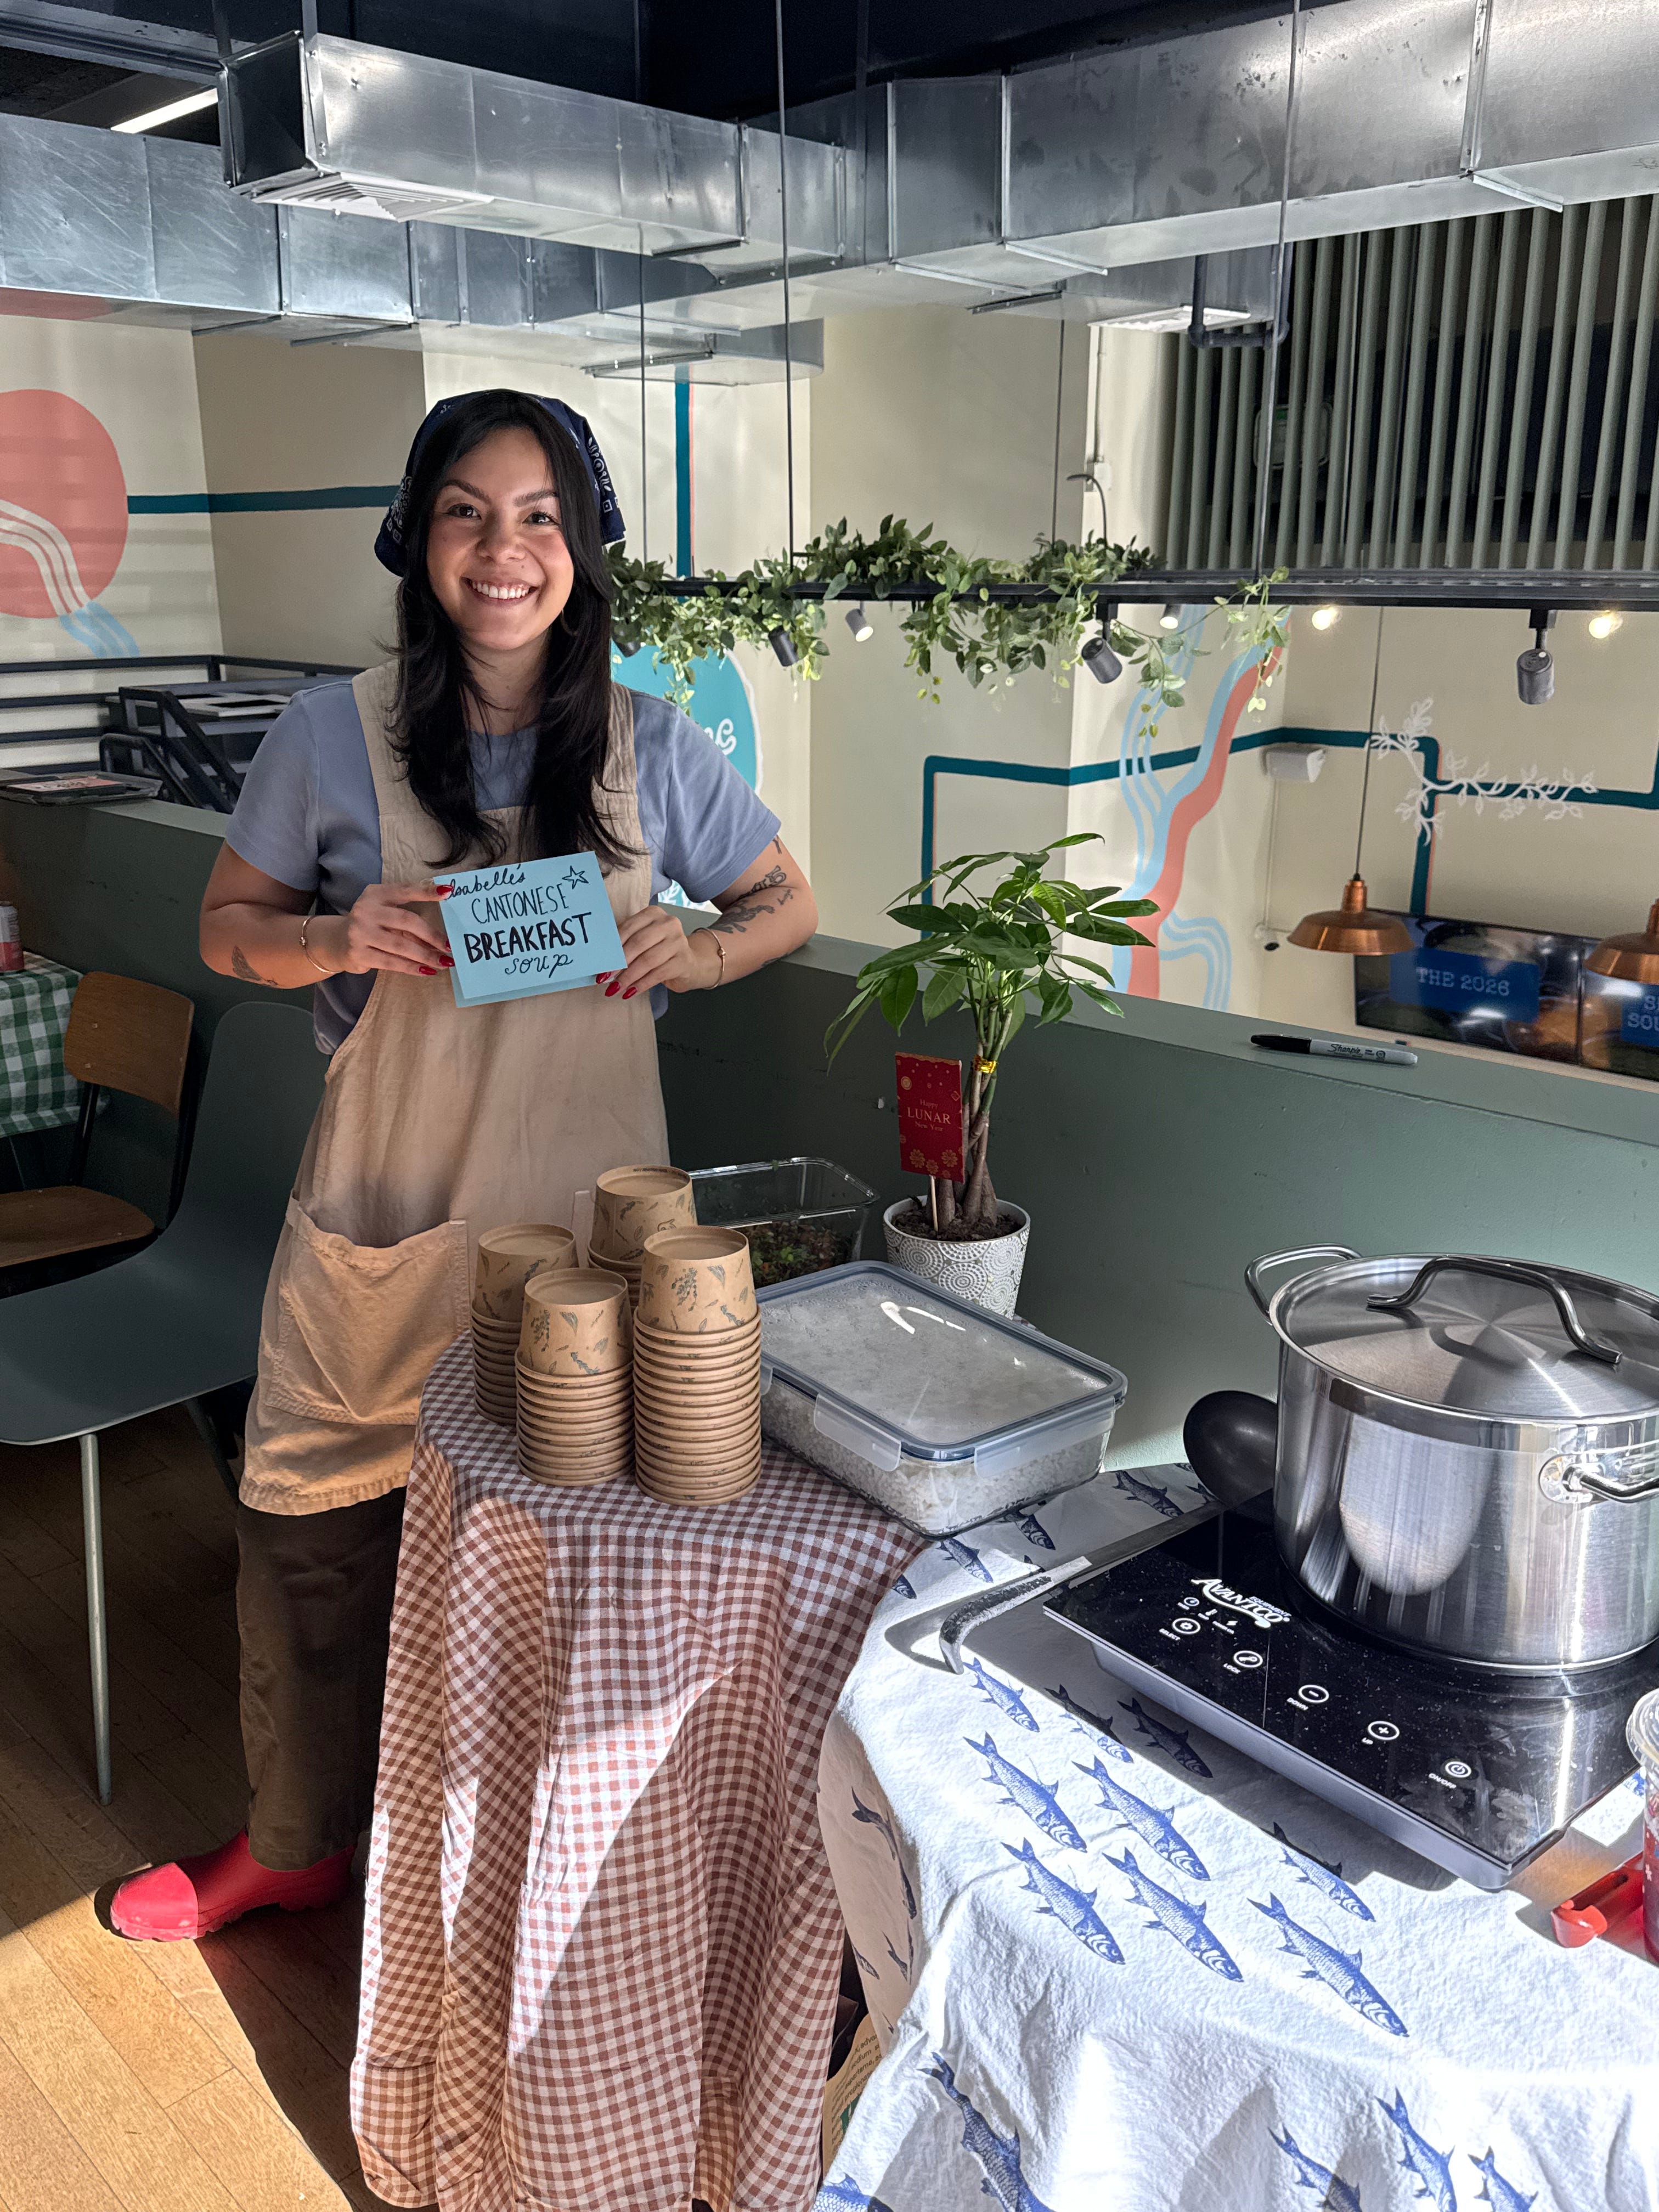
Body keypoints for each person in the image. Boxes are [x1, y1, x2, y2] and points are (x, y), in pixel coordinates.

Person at [110, 387, 816, 1940]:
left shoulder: (650, 743)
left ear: (583, 548)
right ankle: (295, 1842)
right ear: (419, 539)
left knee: (564, 1556)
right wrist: (330, 937)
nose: (506, 549)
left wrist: (698, 951)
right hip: (391, 1214)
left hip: (587, 1238)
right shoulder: (328, 735)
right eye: (468, 512)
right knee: (310, 1527)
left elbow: (787, 901)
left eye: (541, 517)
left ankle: (529, 1868)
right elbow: (226, 931)